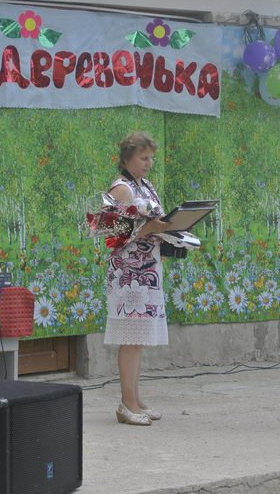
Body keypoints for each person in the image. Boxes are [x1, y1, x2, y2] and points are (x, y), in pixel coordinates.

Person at [104, 131, 171, 426]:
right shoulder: (121, 189)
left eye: (150, 157)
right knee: (130, 339)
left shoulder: (146, 186)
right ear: (127, 158)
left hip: (147, 270)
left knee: (138, 339)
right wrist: (152, 228)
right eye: (143, 158)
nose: (148, 163)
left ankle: (137, 398)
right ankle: (126, 404)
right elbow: (114, 235)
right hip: (130, 274)